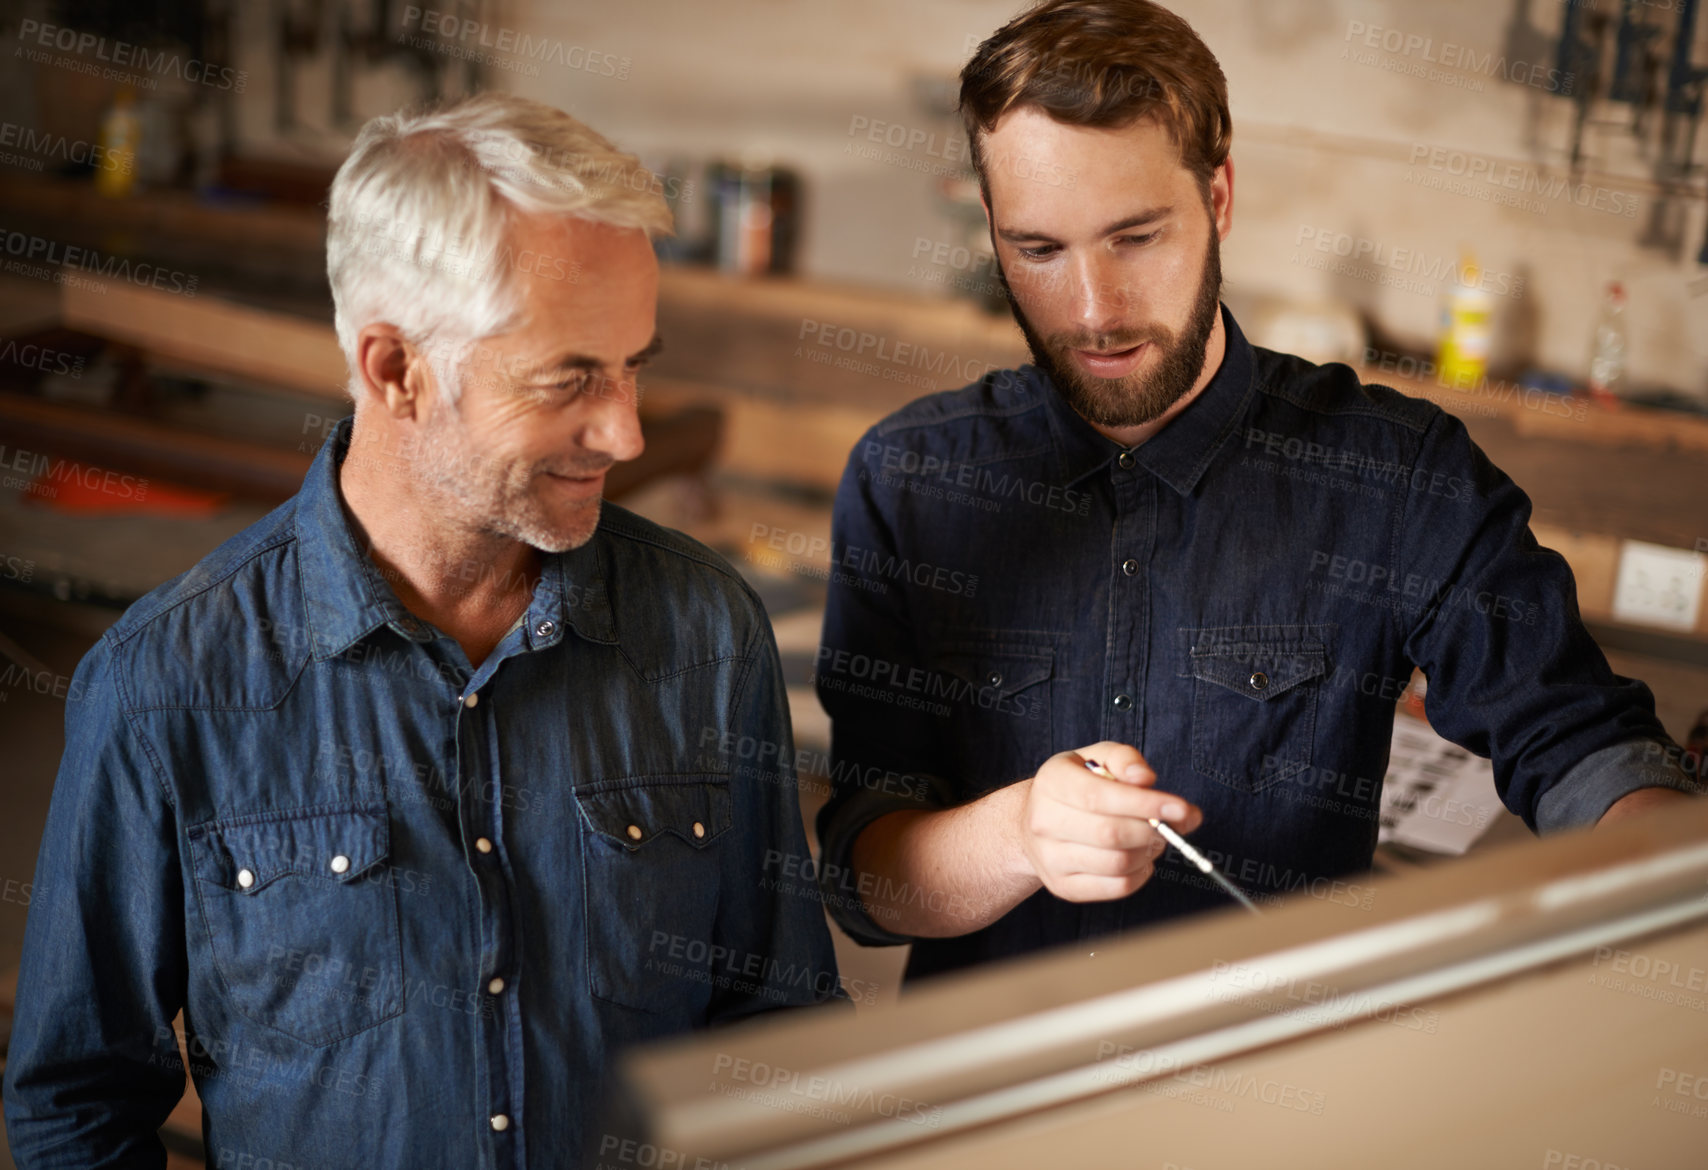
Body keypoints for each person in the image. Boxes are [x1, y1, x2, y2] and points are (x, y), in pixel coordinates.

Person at [3, 94, 840, 1167]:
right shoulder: (166, 683)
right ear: (395, 368)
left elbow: (782, 1030)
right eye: (569, 376)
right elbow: (77, 1107)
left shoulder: (703, 634)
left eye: (634, 363)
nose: (625, 427)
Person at [813, 0, 1700, 984]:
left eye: (1136, 238)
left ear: (1219, 197)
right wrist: (1017, 836)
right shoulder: (911, 478)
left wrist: (1669, 873)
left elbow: (1574, 738)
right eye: (1039, 251)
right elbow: (867, 885)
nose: (1095, 311)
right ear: (989, 229)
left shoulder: (1395, 475)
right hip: (991, 1104)